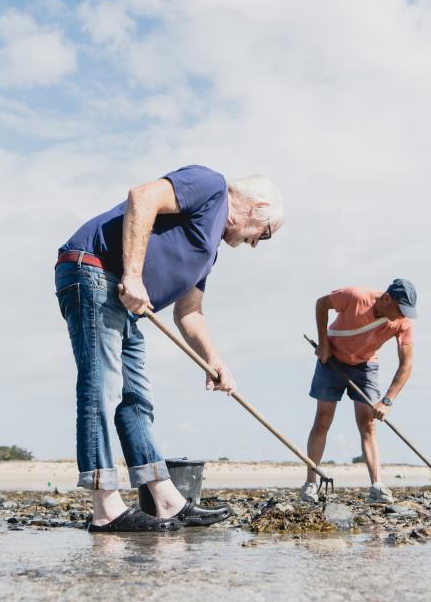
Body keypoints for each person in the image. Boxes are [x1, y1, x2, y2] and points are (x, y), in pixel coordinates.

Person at [55, 165, 284, 533]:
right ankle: (105, 508)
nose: (256, 243)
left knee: (136, 400)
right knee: (102, 388)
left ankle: (167, 501)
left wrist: (214, 360)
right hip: (95, 272)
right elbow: (142, 197)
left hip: (121, 297)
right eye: (265, 234)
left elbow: (189, 312)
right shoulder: (210, 186)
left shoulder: (209, 253)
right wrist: (132, 275)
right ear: (258, 207)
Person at [300, 279, 417, 506]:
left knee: (368, 423)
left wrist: (387, 401)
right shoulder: (354, 296)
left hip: (365, 366)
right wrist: (323, 343)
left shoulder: (403, 322)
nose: (401, 316)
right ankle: (310, 483)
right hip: (331, 359)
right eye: (399, 309)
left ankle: (377, 486)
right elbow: (321, 304)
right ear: (386, 299)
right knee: (323, 419)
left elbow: (406, 365)